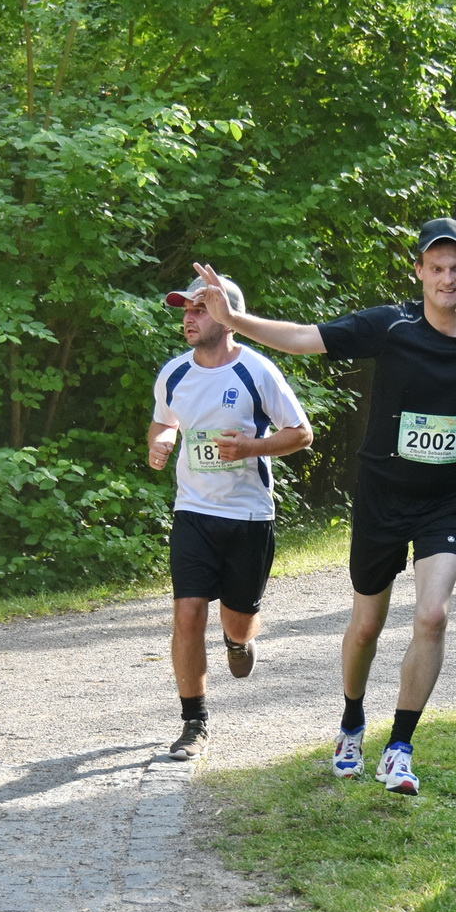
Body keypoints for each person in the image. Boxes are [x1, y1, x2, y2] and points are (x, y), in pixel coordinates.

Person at [190, 217, 456, 796]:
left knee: (433, 615)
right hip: (382, 497)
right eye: (436, 268)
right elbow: (303, 337)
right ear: (419, 271)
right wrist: (234, 321)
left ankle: (400, 748)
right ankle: (351, 723)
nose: (447, 278)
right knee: (367, 625)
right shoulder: (390, 326)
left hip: (446, 499)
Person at [148, 273, 313, 761]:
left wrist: (252, 447)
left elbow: (300, 433)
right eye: (186, 309)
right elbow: (164, 421)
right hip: (193, 511)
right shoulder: (174, 373)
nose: (189, 318)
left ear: (227, 317)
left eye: (200, 309)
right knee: (187, 613)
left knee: (239, 622)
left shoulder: (256, 371)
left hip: (248, 515)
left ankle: (237, 641)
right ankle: (194, 721)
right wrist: (162, 441)